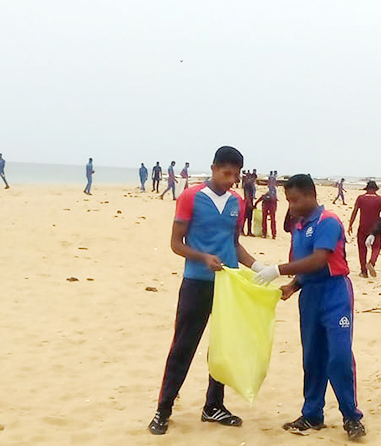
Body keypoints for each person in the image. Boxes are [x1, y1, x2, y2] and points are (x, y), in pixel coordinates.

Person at [148, 146, 267, 435]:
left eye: (235, 174)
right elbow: (177, 243)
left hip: (228, 283)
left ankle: (213, 405)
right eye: (226, 173)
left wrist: (257, 266)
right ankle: (163, 408)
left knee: (222, 345)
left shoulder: (237, 202)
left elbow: (234, 244)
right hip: (197, 281)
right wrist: (203, 257)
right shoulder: (191, 197)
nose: (231, 179)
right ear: (214, 168)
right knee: (183, 345)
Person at [253, 174, 366, 442]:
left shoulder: (328, 221)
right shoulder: (299, 226)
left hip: (335, 293)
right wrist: (293, 285)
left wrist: (277, 270)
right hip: (311, 296)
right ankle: (313, 413)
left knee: (338, 356)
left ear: (312, 195)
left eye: (295, 200)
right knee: (312, 357)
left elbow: (319, 260)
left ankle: (351, 415)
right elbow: (304, 264)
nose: (291, 206)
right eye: (289, 201)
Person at [348, 181, 381, 278]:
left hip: (363, 227)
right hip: (376, 227)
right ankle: (372, 263)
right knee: (377, 246)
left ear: (367, 189)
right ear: (375, 189)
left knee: (362, 249)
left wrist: (350, 224)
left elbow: (355, 211)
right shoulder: (380, 199)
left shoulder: (361, 198)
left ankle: (364, 272)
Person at [255, 171, 279, 239]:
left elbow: (271, 197)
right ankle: (268, 233)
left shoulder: (273, 189)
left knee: (270, 219)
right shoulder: (271, 188)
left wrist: (258, 202)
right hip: (269, 204)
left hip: (270, 204)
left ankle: (271, 234)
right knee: (268, 219)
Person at [242, 170, 255, 236]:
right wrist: (250, 203)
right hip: (247, 202)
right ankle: (243, 231)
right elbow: (247, 194)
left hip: (248, 201)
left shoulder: (249, 185)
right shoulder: (248, 185)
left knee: (249, 218)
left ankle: (248, 231)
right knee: (246, 217)